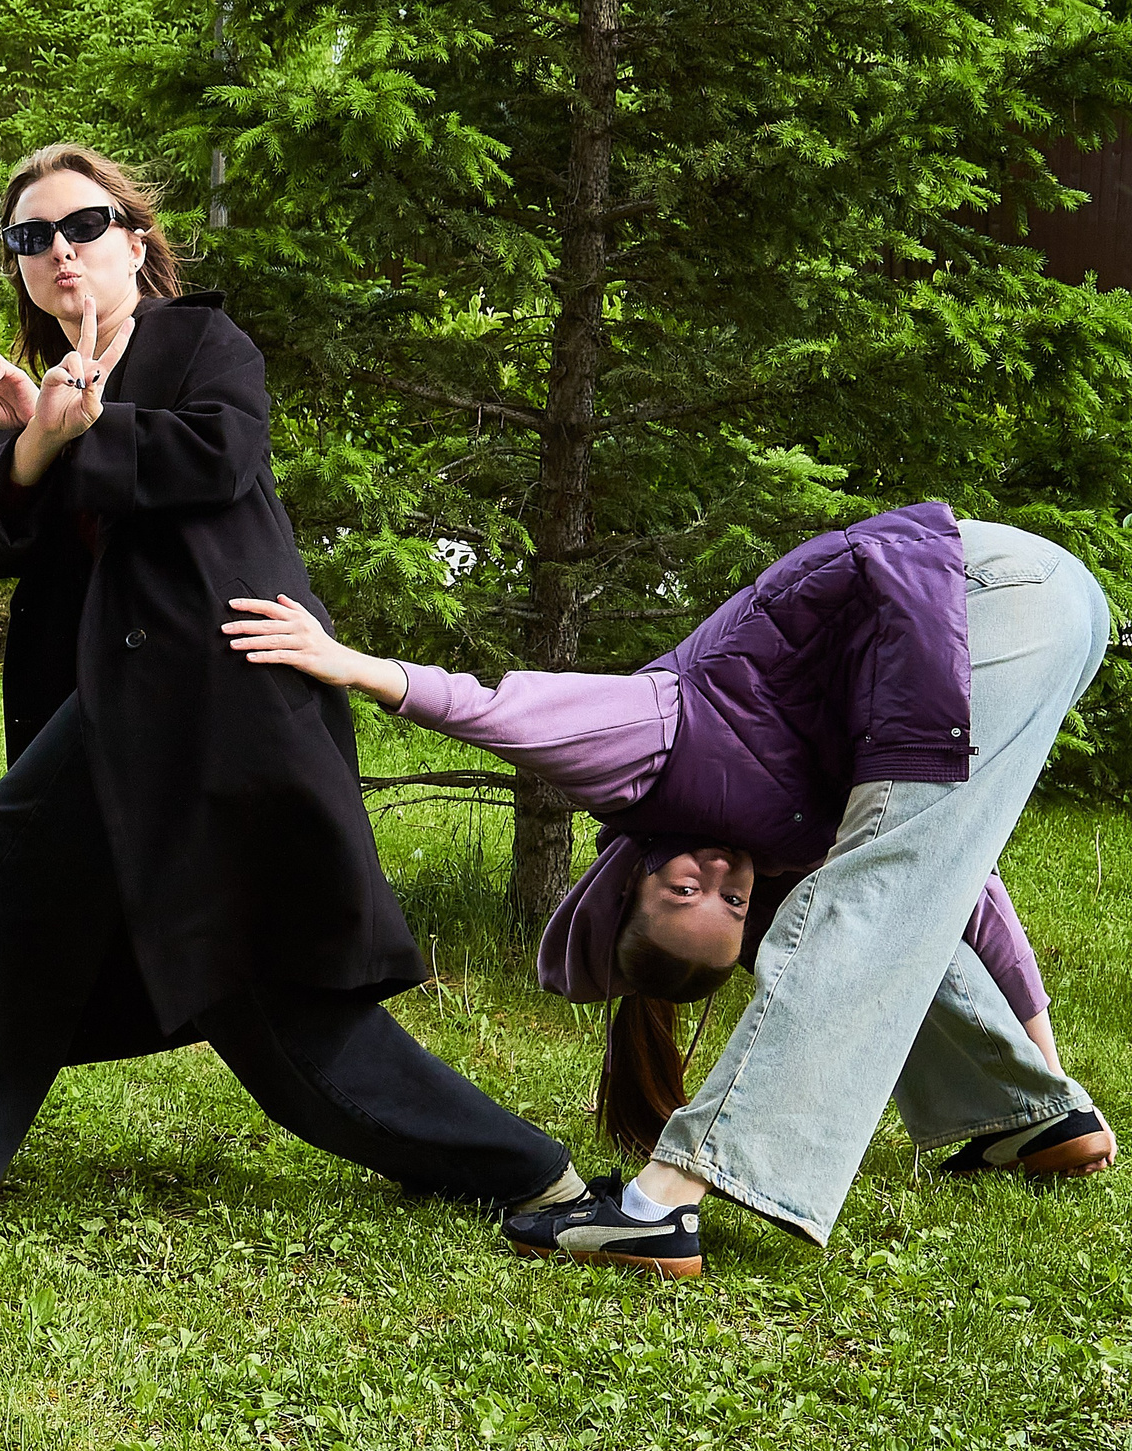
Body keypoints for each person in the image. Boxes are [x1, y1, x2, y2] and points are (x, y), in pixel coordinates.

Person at [0, 143, 587, 1221]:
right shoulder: (59, 393)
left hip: (217, 695)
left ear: (133, 240)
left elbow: (214, 457)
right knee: (253, 997)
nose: (57, 252)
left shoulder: (197, 343)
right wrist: (38, 438)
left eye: (82, 227)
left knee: (29, 864)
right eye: (29, 239)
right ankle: (523, 1170)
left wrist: (82, 429)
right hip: (135, 709)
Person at [225, 503, 1114, 1277]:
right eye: (729, 906)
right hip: (1056, 613)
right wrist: (1055, 1080)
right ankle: (1030, 1117)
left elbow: (501, 710)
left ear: (638, 878)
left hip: (979, 590)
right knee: (884, 886)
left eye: (689, 885)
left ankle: (660, 1206)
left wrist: (353, 664)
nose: (725, 879)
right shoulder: (782, 846)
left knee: (858, 907)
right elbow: (964, 888)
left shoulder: (660, 742)